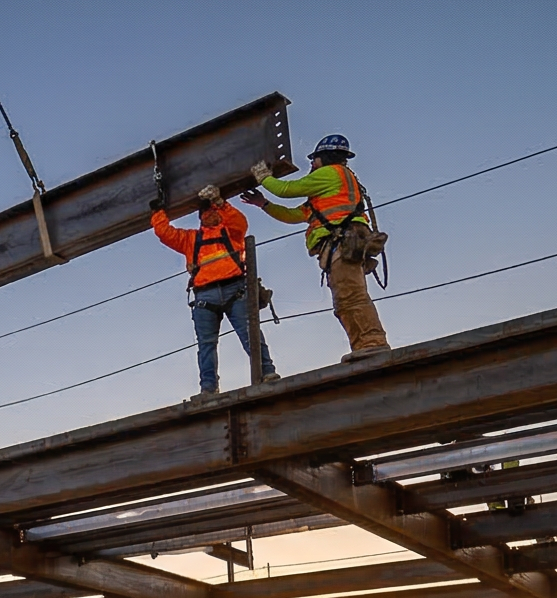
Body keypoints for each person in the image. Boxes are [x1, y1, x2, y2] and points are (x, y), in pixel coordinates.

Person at [247, 134, 389, 360]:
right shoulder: (325, 192)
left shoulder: (331, 173)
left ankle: (373, 342)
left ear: (325, 157)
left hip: (343, 242)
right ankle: (362, 346)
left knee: (351, 296)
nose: (312, 164)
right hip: (340, 245)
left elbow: (287, 190)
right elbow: (294, 215)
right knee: (344, 299)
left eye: (314, 159)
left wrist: (263, 176)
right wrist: (263, 204)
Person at [153, 185, 275, 399]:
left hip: (233, 290)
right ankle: (209, 389)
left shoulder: (232, 232)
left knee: (249, 335)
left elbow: (239, 221)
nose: (210, 215)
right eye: (207, 213)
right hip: (206, 296)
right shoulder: (191, 239)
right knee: (208, 345)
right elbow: (165, 233)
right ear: (201, 218)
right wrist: (158, 213)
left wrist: (221, 202)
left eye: (214, 212)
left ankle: (267, 372)